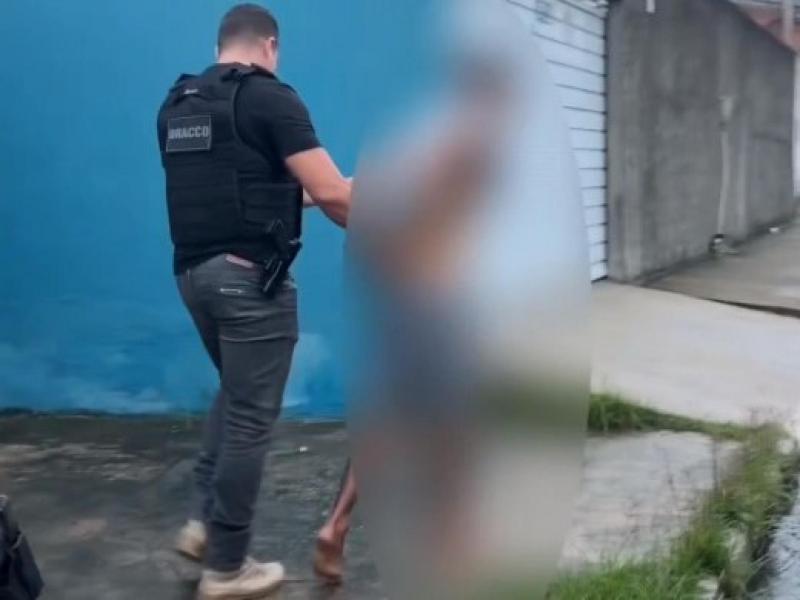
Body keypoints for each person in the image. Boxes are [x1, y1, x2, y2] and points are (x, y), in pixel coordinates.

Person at [156, 4, 351, 598]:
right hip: (250, 285)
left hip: (194, 278)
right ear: (270, 45)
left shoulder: (180, 104)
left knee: (236, 396)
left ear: (221, 45)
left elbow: (254, 187)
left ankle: (203, 524)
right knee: (249, 421)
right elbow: (333, 197)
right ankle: (227, 566)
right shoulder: (270, 97)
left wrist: (340, 189)